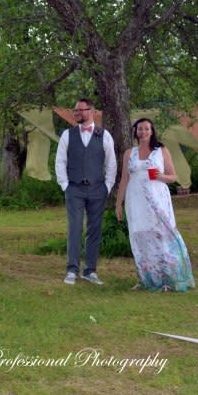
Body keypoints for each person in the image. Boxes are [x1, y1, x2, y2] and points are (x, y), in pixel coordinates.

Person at [114, 118, 195, 292]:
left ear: (152, 131)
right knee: (139, 236)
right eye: (140, 129)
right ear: (136, 132)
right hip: (135, 200)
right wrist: (118, 203)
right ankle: (147, 278)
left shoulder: (161, 150)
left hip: (157, 199)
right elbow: (124, 179)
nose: (143, 132)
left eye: (146, 129)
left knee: (162, 234)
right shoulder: (130, 153)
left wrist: (160, 176)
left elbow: (173, 176)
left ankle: (169, 278)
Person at [55, 98, 117, 285]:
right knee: (74, 228)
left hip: (98, 189)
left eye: (80, 110)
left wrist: (107, 186)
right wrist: (65, 185)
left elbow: (111, 163)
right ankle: (72, 269)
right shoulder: (67, 134)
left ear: (92, 111)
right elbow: (60, 162)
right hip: (74, 189)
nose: (77, 113)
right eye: (75, 110)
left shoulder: (104, 135)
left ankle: (90, 270)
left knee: (94, 230)